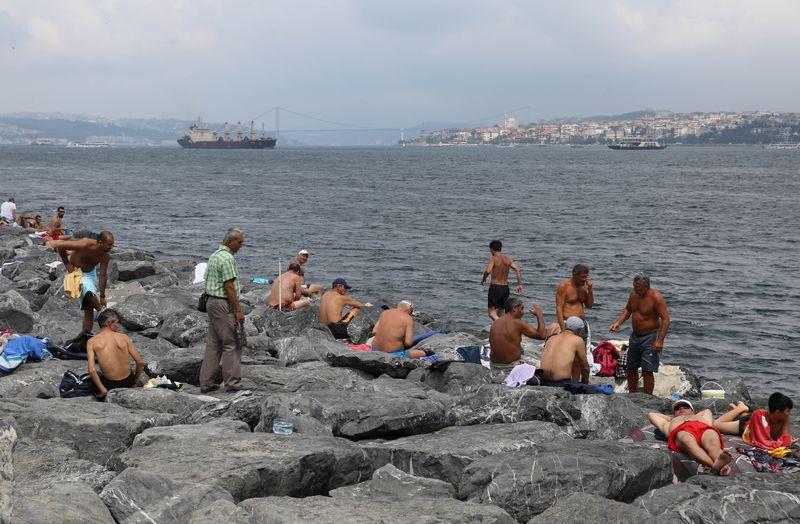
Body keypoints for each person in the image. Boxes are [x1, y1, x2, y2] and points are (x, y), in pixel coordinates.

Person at [198, 228, 245, 393]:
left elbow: (208, 279)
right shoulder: (227, 258)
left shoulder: (215, 255)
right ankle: (232, 383)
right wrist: (238, 310)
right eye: (239, 242)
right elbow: (229, 286)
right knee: (232, 343)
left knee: (214, 343)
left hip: (211, 302)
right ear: (230, 242)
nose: (241, 245)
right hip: (222, 304)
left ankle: (206, 383)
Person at [609, 272, 670, 395]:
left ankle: (647, 397)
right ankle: (632, 395)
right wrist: (618, 322)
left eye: (638, 287)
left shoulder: (655, 297)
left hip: (650, 337)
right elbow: (628, 310)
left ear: (646, 286)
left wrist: (660, 340)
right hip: (635, 337)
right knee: (631, 367)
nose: (635, 289)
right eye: (634, 286)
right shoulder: (633, 294)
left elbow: (666, 319)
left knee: (647, 370)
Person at [46, 230, 115, 333]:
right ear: (100, 242)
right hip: (76, 272)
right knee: (85, 287)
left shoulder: (105, 255)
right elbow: (61, 246)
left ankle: (85, 334)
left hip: (90, 274)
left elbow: (103, 276)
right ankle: (102, 312)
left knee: (88, 308)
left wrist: (102, 296)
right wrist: (67, 263)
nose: (111, 247)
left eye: (112, 244)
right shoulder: (85, 244)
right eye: (109, 244)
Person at [648, 400, 732, 475]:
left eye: (686, 407)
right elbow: (651, 414)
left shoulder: (700, 417)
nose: (681, 408)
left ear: (692, 410)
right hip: (682, 430)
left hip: (703, 428)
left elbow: (707, 411)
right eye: (677, 408)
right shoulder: (669, 422)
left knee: (713, 441)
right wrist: (673, 417)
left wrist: (692, 415)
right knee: (686, 440)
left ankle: (720, 461)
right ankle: (714, 465)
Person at [86, 309, 143, 399]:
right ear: (109, 323)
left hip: (110, 385)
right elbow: (139, 362)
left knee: (94, 376)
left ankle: (102, 390)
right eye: (117, 322)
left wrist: (103, 390)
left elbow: (91, 370)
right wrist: (134, 380)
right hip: (128, 381)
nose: (118, 325)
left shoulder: (92, 342)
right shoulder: (124, 337)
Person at [713, 393, 795, 450]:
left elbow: (785, 439)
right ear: (777, 412)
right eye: (787, 411)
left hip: (755, 418)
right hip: (747, 426)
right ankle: (739, 409)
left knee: (747, 415)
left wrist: (786, 441)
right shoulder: (758, 416)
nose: (789, 413)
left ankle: (741, 411)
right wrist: (782, 443)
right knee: (716, 425)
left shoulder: (784, 418)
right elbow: (762, 441)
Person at [488, 297, 545, 372]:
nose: (523, 312)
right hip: (510, 367)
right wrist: (539, 315)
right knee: (542, 366)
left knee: (520, 348)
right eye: (521, 308)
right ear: (514, 308)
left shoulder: (496, 322)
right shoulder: (517, 322)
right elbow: (542, 335)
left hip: (494, 366)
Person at [481, 240, 524, 321]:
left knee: (491, 313)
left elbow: (487, 271)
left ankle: (502, 324)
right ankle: (501, 326)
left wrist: (484, 279)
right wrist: (519, 284)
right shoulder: (508, 259)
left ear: (492, 249)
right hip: (505, 288)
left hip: (495, 287)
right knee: (501, 311)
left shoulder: (493, 258)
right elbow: (518, 270)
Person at [540, 316, 590, 384]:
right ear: (579, 330)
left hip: (543, 380)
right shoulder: (578, 340)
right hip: (560, 382)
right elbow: (585, 366)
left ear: (565, 326)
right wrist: (585, 383)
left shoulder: (551, 338)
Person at [555, 264, 594, 342]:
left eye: (586, 277)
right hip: (568, 323)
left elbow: (589, 306)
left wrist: (590, 289)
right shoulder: (564, 286)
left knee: (584, 346)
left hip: (582, 322)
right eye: (582, 277)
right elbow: (559, 308)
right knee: (569, 346)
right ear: (574, 275)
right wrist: (562, 328)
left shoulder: (584, 287)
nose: (585, 279)